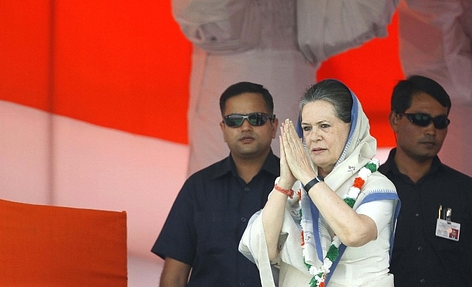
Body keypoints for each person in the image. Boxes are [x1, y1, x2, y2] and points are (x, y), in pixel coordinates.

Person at [239, 79, 399, 286]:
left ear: (352, 128)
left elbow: (355, 233)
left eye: (324, 126)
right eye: (306, 128)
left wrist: (308, 178)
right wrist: (285, 182)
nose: (314, 137)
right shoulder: (294, 189)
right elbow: (265, 250)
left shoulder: (376, 185)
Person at [151, 82, 280, 286]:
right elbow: (174, 276)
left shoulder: (297, 185)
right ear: (223, 129)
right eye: (234, 121)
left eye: (256, 119)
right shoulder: (197, 188)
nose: (245, 127)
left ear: (273, 126)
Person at [379, 75, 472, 286]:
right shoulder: (371, 191)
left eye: (440, 122)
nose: (431, 130)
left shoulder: (465, 191)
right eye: (420, 119)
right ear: (395, 120)